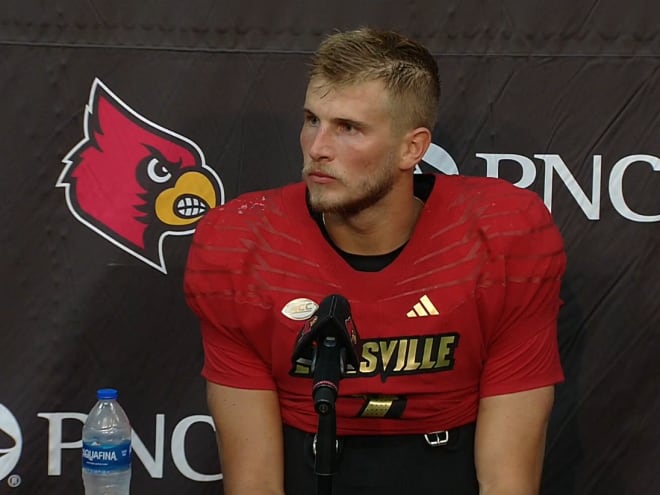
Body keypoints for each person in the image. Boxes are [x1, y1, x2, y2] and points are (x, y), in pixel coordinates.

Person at [184, 27, 566, 495]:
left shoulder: (505, 237)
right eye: (311, 120)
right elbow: (255, 483)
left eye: (348, 128)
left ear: (413, 147)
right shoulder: (240, 245)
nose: (318, 148)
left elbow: (509, 482)